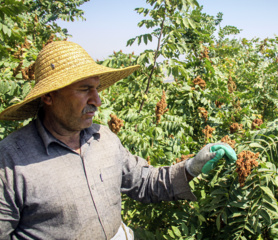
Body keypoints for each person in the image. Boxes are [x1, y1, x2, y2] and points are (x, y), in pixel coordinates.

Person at [0, 41, 236, 239]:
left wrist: (191, 167)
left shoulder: (104, 138)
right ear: (49, 96)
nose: (97, 100)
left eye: (97, 88)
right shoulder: (11, 160)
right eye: (84, 89)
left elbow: (143, 181)